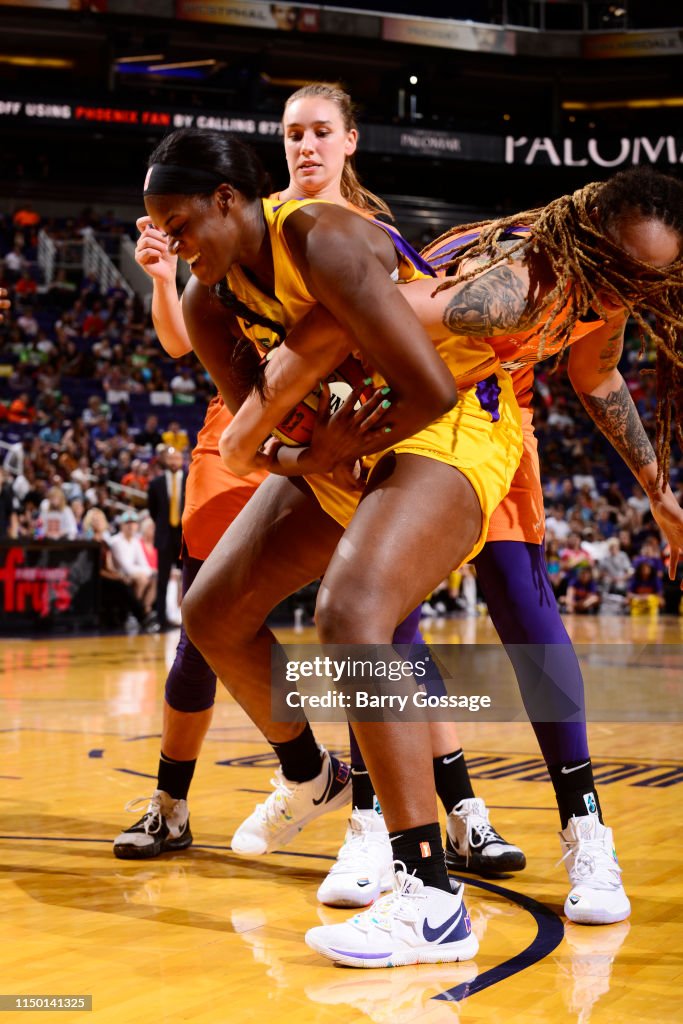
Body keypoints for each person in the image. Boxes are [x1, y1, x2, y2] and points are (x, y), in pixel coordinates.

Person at [216, 164, 683, 951]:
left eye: (649, 280)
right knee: (339, 613)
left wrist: (657, 489)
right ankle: (375, 818)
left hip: (473, 414)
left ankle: (567, 835)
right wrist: (251, 436)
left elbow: (594, 371)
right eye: (624, 273)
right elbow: (347, 317)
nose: (630, 293)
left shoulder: (601, 285)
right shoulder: (501, 287)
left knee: (503, 614)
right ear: (591, 244)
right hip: (423, 408)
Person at [113, 85, 523, 894]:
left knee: (356, 613)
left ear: (229, 200)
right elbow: (259, 441)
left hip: (445, 428)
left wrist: (332, 446)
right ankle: (310, 774)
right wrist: (314, 458)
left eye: (183, 224)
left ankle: (423, 886)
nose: (174, 242)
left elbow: (428, 390)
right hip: (346, 446)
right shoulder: (205, 302)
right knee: (209, 613)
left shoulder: (326, 236)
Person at [147, 446, 186, 631]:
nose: (174, 462)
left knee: (189, 579)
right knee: (162, 579)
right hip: (164, 536)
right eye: (171, 458)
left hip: (185, 536)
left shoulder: (190, 480)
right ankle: (161, 620)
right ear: (165, 460)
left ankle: (189, 620)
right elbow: (153, 511)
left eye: (177, 458)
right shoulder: (156, 484)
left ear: (182, 460)